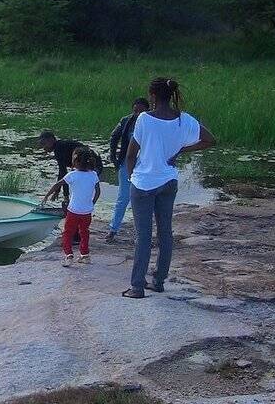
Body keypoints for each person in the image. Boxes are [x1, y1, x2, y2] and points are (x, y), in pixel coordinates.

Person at [122, 78, 215, 298]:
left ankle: (137, 287)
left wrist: (131, 178)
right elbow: (210, 140)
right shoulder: (184, 120)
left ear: (152, 96)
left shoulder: (144, 119)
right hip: (168, 182)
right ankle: (159, 281)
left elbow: (130, 154)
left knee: (143, 236)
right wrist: (180, 151)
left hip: (143, 183)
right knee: (165, 233)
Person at [42, 147, 101, 267]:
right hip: (87, 212)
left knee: (68, 233)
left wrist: (47, 196)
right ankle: (85, 255)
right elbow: (98, 191)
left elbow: (57, 185)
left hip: (73, 210)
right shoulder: (93, 175)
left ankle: (68, 255)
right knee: (84, 232)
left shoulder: (72, 175)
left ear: (76, 161)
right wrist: (92, 202)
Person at [106, 98, 150, 242]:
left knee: (144, 198)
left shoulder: (151, 122)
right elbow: (114, 136)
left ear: (147, 111)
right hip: (126, 162)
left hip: (145, 164)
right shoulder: (126, 121)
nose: (138, 113)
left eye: (141, 110)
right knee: (123, 197)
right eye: (135, 110)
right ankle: (113, 229)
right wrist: (113, 155)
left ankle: (143, 233)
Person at [39, 130, 103, 203]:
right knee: (80, 188)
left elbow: (63, 173)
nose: (44, 148)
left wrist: (65, 195)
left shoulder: (59, 148)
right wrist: (57, 191)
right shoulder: (60, 146)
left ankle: (79, 207)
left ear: (51, 140)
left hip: (93, 165)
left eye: (44, 144)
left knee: (82, 189)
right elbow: (62, 173)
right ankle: (83, 206)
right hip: (90, 165)